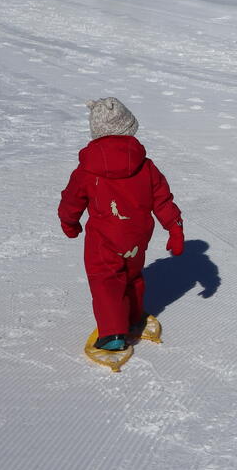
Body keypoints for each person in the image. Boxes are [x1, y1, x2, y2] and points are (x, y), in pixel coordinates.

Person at [58, 98, 184, 352]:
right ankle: (134, 316)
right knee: (132, 275)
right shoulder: (146, 167)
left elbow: (71, 199)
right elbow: (162, 199)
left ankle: (113, 334)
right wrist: (174, 228)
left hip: (103, 240)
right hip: (136, 238)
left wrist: (69, 222)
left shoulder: (86, 171)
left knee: (107, 282)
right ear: (129, 129)